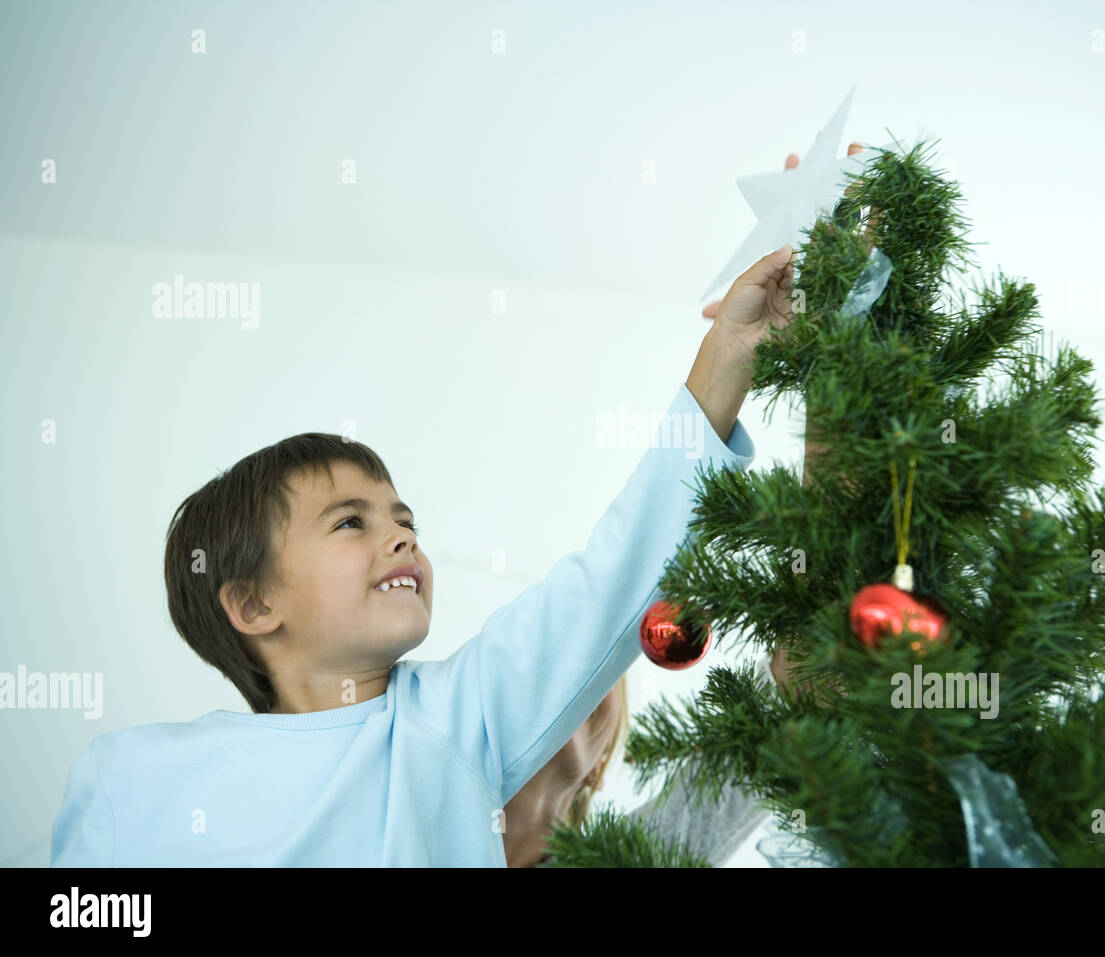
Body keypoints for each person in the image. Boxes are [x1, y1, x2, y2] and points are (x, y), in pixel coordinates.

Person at [49, 238, 801, 867]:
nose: (402, 535)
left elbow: (612, 575)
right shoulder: (131, 774)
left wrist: (728, 352)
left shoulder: (456, 720)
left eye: (403, 518)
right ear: (251, 601)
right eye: (351, 523)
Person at [501, 143, 876, 868]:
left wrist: (834, 356)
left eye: (597, 663)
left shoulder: (642, 851)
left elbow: (806, 686)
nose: (585, 677)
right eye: (548, 658)